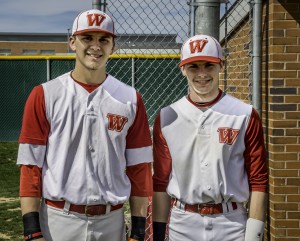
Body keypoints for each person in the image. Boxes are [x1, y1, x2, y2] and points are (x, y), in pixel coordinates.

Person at [17, 9, 153, 241]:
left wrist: (139, 230)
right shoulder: (45, 94)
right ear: (72, 42)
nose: (96, 46)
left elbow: (139, 169)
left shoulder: (130, 98)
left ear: (113, 46)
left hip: (112, 220)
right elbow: (31, 166)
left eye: (104, 39)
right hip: (58, 219)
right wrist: (32, 230)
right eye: (87, 38)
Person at [152, 34, 268, 241]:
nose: (202, 74)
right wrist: (159, 235)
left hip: (231, 222)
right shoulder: (168, 116)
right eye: (194, 66)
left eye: (209, 65)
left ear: (221, 66)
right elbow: (160, 182)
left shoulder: (244, 114)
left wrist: (254, 236)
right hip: (183, 222)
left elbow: (258, 181)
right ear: (182, 69)